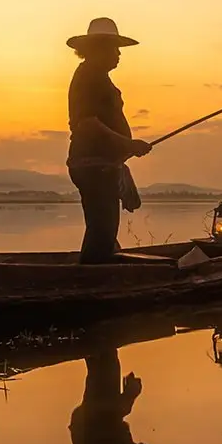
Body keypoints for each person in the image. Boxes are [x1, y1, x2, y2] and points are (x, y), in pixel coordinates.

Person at [66, 17, 152, 264]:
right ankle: (89, 282)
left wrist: (125, 150)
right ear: (98, 49)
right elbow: (88, 124)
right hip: (94, 166)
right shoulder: (89, 77)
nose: (118, 54)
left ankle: (97, 270)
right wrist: (127, 145)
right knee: (102, 233)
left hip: (101, 165)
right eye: (114, 48)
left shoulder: (96, 77)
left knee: (103, 232)